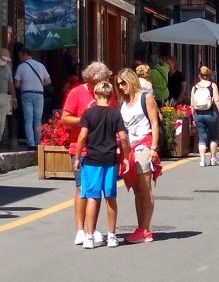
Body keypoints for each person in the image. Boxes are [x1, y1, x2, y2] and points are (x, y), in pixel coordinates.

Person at [60, 61, 113, 246]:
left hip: (103, 148)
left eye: (104, 80)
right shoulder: (77, 92)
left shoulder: (107, 93)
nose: (101, 85)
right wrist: (86, 121)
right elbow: (65, 118)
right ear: (88, 80)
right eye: (97, 82)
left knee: (97, 190)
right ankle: (80, 230)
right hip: (81, 148)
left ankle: (92, 228)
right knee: (82, 187)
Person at [73, 81, 129, 249]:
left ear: (96, 95)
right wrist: (125, 157)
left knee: (92, 197)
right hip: (110, 160)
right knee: (110, 197)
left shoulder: (88, 113)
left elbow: (82, 136)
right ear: (111, 96)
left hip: (92, 160)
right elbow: (123, 138)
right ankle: (112, 235)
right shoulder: (115, 114)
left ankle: (89, 236)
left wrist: (77, 157)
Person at [116, 68, 161, 243]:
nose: (121, 86)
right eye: (118, 84)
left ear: (132, 80)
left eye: (123, 82)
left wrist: (154, 147)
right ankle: (140, 228)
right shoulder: (122, 102)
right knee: (136, 190)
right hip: (130, 148)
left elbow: (155, 122)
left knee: (145, 188)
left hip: (144, 144)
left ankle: (146, 229)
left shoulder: (145, 97)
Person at [14, 47, 51, 150]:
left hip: (27, 94)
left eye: (21, 55)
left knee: (28, 119)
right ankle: (38, 143)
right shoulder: (41, 66)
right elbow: (48, 81)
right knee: (38, 120)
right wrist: (38, 84)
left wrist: (26, 84)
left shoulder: (21, 67)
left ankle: (31, 143)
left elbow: (16, 84)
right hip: (39, 94)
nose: (20, 58)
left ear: (25, 55)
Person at [191, 65, 219, 166]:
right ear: (209, 75)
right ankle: (213, 159)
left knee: (201, 137)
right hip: (211, 113)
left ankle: (202, 160)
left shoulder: (195, 87)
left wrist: (193, 117)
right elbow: (217, 100)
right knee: (213, 137)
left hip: (198, 114)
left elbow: (192, 104)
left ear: (199, 76)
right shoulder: (212, 86)